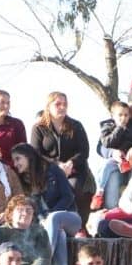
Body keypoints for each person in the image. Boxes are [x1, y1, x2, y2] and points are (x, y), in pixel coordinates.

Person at [10, 143, 81, 265]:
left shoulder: (52, 169)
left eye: (18, 159)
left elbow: (68, 196)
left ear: (28, 157)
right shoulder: (24, 182)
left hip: (69, 217)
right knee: (59, 235)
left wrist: (48, 216)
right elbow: (32, 209)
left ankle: (43, 263)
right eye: (14, 160)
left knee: (54, 218)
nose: (15, 163)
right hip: (49, 225)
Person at [30, 92, 92, 221]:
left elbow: (84, 151)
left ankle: (79, 224)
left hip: (74, 170)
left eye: (65, 104)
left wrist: (71, 163)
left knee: (73, 187)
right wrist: (56, 164)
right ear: (48, 107)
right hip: (49, 171)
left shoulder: (76, 125)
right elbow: (36, 153)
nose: (62, 107)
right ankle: (50, 219)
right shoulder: (39, 128)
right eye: (58, 104)